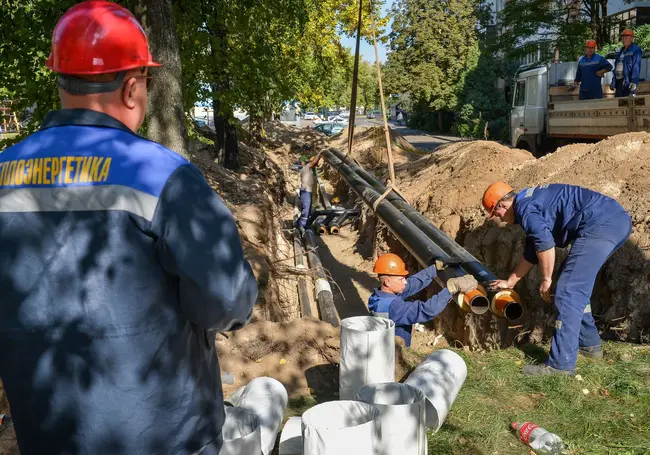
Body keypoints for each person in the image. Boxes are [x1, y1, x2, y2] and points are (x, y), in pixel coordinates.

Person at [0, 2, 258, 454]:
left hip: (48, 435)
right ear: (133, 86)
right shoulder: (166, 178)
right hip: (166, 437)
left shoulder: (4, 173)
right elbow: (225, 302)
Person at [483, 182, 631, 376]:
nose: (499, 220)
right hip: (614, 221)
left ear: (503, 205)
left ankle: (560, 365)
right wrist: (511, 282)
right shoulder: (528, 202)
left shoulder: (525, 208)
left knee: (568, 290)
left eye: (496, 213)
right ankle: (589, 345)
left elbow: (545, 245)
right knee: (574, 284)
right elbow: (532, 249)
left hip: (601, 225)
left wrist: (546, 279)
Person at [368, 254, 478, 347]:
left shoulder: (380, 296)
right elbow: (426, 310)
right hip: (391, 356)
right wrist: (452, 288)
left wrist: (435, 269)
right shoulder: (392, 307)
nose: (405, 282)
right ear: (387, 282)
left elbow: (412, 284)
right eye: (401, 279)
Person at [295, 151, 322, 234]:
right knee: (306, 210)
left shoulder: (308, 170)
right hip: (306, 192)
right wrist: (320, 153)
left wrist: (318, 159)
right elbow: (313, 162)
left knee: (308, 209)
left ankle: (301, 224)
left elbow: (315, 162)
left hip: (307, 192)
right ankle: (301, 226)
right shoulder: (306, 168)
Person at [612, 29, 643, 97]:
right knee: (618, 102)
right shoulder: (620, 51)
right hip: (619, 82)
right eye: (623, 38)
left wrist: (634, 81)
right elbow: (616, 67)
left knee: (628, 103)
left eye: (626, 38)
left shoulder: (636, 50)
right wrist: (613, 81)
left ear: (631, 38)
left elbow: (636, 67)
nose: (624, 40)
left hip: (628, 82)